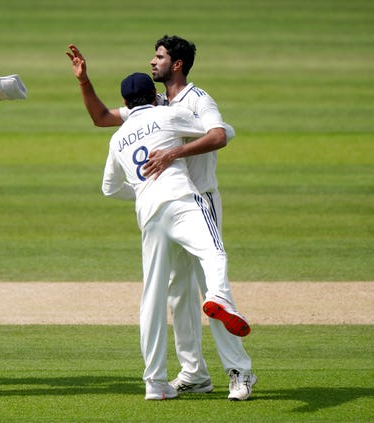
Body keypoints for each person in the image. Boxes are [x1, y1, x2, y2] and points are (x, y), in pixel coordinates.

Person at [67, 36, 257, 401]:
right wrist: (83, 81)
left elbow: (221, 134)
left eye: (159, 57)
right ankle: (194, 372)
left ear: (178, 64)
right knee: (178, 295)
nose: (153, 61)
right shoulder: (160, 104)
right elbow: (102, 118)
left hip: (199, 197)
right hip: (173, 202)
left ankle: (239, 372)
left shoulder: (196, 100)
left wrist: (174, 153)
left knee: (212, 291)